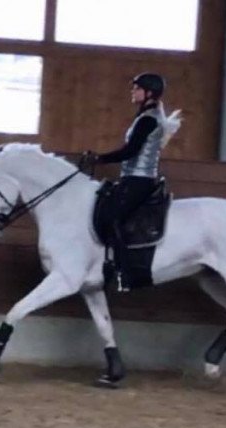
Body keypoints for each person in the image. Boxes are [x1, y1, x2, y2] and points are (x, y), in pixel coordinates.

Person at [86, 72, 181, 290]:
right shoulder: (146, 115)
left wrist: (100, 158)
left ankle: (125, 273)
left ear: (149, 93)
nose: (133, 91)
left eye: (137, 88)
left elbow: (130, 151)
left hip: (140, 180)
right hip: (132, 178)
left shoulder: (149, 119)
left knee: (112, 217)